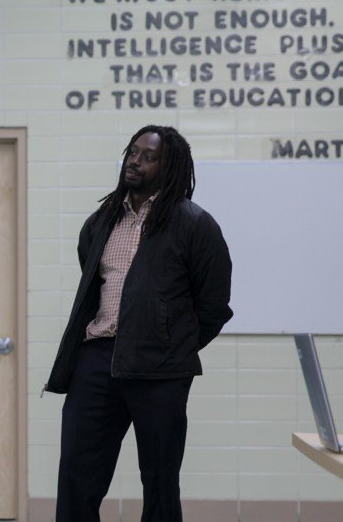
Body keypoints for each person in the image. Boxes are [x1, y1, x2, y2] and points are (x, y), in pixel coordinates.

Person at [45, 125, 233, 522]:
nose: (135, 161)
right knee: (77, 476)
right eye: (133, 152)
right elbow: (94, 285)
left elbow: (214, 306)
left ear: (171, 168)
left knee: (160, 481)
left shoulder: (194, 224)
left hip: (160, 370)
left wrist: (170, 344)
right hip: (95, 361)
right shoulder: (101, 221)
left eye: (149, 157)